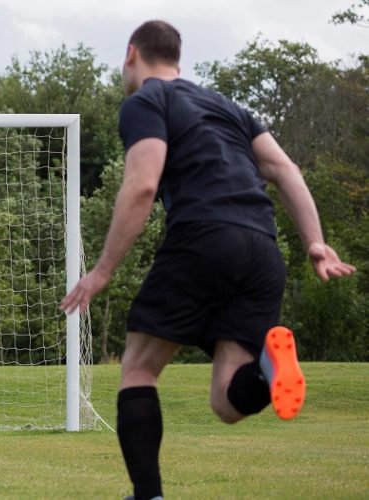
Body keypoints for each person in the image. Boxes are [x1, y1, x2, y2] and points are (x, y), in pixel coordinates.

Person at [58, 20, 356, 500]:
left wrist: (101, 271)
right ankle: (267, 373)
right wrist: (315, 243)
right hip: (262, 248)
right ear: (179, 59)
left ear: (131, 54)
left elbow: (141, 185)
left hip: (203, 237)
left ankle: (147, 495)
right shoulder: (229, 108)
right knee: (227, 401)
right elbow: (284, 169)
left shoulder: (146, 101)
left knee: (137, 370)